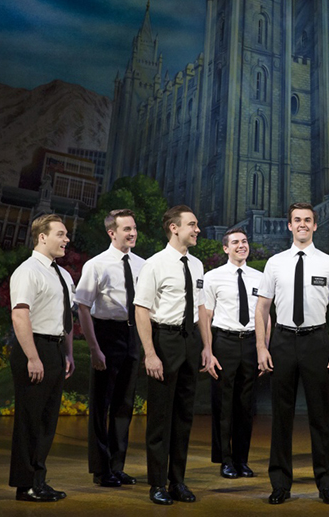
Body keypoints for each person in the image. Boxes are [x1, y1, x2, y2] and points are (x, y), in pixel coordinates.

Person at [255, 202, 329, 505]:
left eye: (308, 220)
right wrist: (261, 346)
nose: (302, 225)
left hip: (317, 342)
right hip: (282, 341)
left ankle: (326, 484)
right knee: (280, 416)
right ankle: (280, 484)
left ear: (315, 225)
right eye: (297, 220)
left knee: (321, 416)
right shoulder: (275, 263)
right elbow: (262, 308)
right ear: (289, 225)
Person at [134, 205, 218, 505]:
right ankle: (156, 483)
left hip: (189, 341)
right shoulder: (154, 264)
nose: (197, 230)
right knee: (160, 417)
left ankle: (177, 481)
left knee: (183, 417)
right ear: (174, 228)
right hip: (164, 340)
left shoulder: (197, 266)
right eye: (192, 225)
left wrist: (206, 348)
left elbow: (200, 310)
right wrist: (150, 353)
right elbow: (141, 309)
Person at [9, 214, 75, 502]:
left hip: (56, 349)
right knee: (30, 421)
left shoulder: (62, 274)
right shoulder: (28, 271)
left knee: (48, 421)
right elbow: (20, 314)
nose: (66, 239)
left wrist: (68, 353)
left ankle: (39, 479)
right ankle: (25, 486)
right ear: (42, 237)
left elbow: (66, 317)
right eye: (60, 234)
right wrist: (32, 357)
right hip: (34, 347)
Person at [75, 209, 144, 488]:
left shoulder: (143, 264)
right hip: (106, 333)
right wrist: (94, 348)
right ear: (111, 233)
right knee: (101, 404)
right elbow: (82, 306)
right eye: (126, 228)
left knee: (124, 405)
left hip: (133, 334)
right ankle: (101, 470)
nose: (132, 233)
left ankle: (117, 466)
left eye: (134, 227)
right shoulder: (97, 264)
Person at [203, 227, 269, 479]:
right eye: (235, 242)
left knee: (246, 405)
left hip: (252, 343)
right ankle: (225, 460)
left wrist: (264, 348)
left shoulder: (259, 277)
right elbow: (206, 316)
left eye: (244, 241)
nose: (241, 245)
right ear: (225, 248)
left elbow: (265, 316)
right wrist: (208, 350)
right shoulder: (213, 277)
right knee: (223, 404)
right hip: (224, 342)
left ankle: (242, 459)